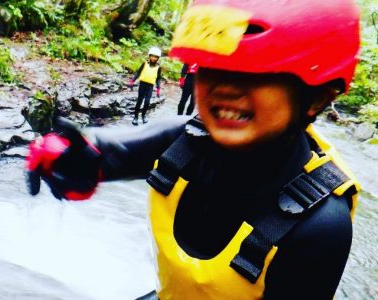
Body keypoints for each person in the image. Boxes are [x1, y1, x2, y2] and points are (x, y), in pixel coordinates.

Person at [24, 0, 361, 299]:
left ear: (318, 97)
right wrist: (72, 158)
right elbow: (110, 152)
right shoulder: (184, 141)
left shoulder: (320, 227)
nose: (225, 88)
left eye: (259, 72)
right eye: (214, 66)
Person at [129, 47, 163, 125]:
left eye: (155, 57)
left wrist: (158, 89)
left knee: (147, 102)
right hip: (142, 85)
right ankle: (135, 117)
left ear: (158, 58)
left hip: (150, 86)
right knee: (139, 101)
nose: (153, 58)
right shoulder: (145, 63)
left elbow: (158, 78)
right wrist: (132, 81)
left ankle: (144, 116)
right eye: (152, 56)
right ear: (149, 56)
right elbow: (138, 73)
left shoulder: (158, 67)